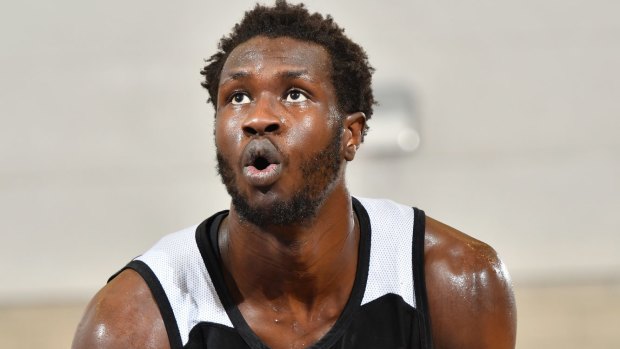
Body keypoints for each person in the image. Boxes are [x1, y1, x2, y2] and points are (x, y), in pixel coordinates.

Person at [72, 1, 516, 348]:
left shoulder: (454, 281)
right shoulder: (132, 322)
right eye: (239, 97)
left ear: (350, 134)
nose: (258, 117)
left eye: (296, 93)